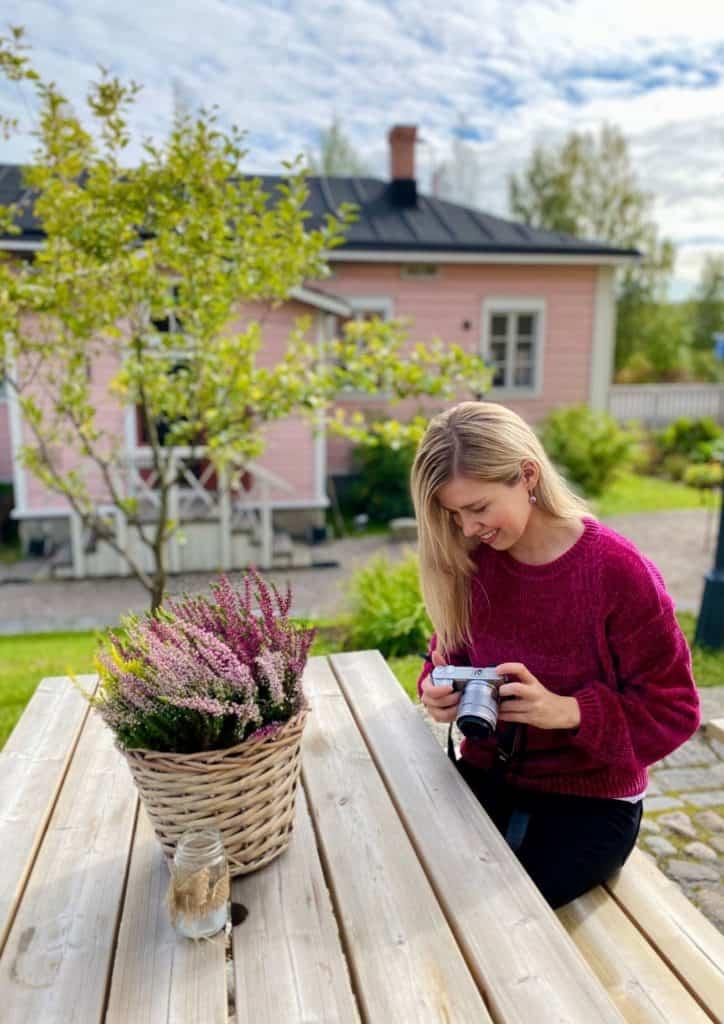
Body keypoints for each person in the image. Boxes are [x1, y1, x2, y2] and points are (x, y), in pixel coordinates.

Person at [412, 400, 700, 909]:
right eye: (454, 514)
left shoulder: (616, 572)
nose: (466, 529)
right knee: (411, 886)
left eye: (477, 508)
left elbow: (675, 710)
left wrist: (569, 712)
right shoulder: (471, 563)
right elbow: (443, 658)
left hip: (589, 803)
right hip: (487, 776)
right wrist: (436, 688)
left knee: (498, 919)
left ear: (527, 475)